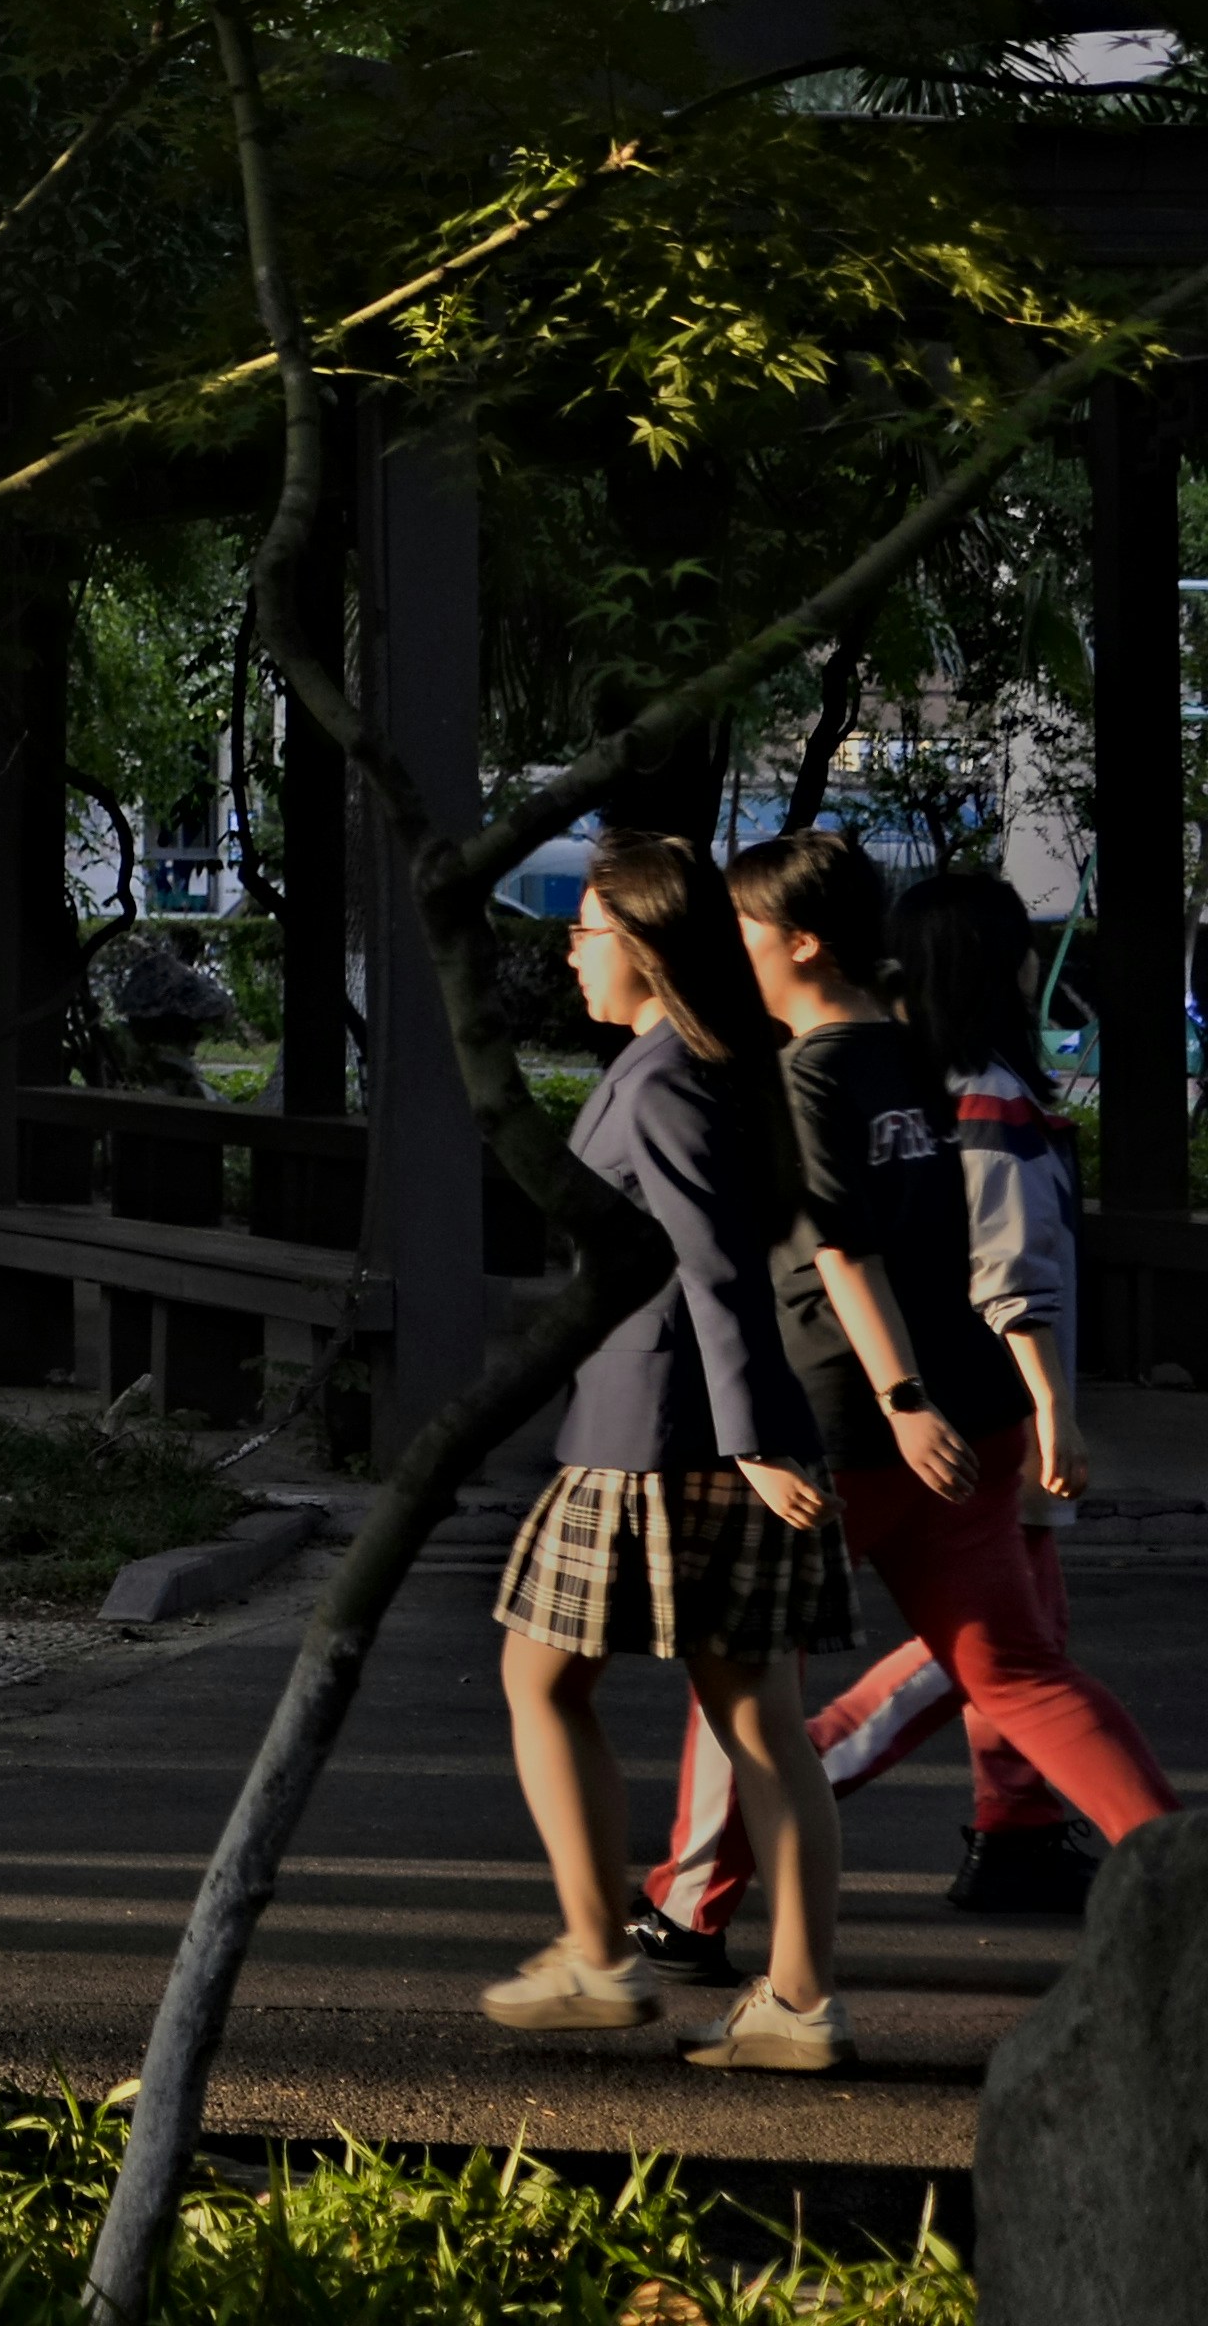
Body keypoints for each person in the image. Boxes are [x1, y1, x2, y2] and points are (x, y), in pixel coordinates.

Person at [644, 842, 1175, 1948]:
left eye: (740, 930)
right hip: (971, 1414)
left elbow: (841, 1248)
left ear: (801, 940)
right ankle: (1173, 1870)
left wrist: (895, 1396)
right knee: (1017, 1667)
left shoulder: (808, 1074)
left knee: (744, 1671)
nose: (724, 954)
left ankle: (688, 1906)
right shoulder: (916, 1059)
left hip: (837, 1422)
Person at [483, 828, 849, 2069]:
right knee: (758, 1721)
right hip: (702, 1429)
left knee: (547, 1679)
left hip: (654, 1437)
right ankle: (787, 1997)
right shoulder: (714, 1065)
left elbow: (714, 1266)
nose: (571, 955)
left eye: (583, 932)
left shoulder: (660, 1080)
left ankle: (600, 1954)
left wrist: (744, 1436)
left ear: (639, 947)